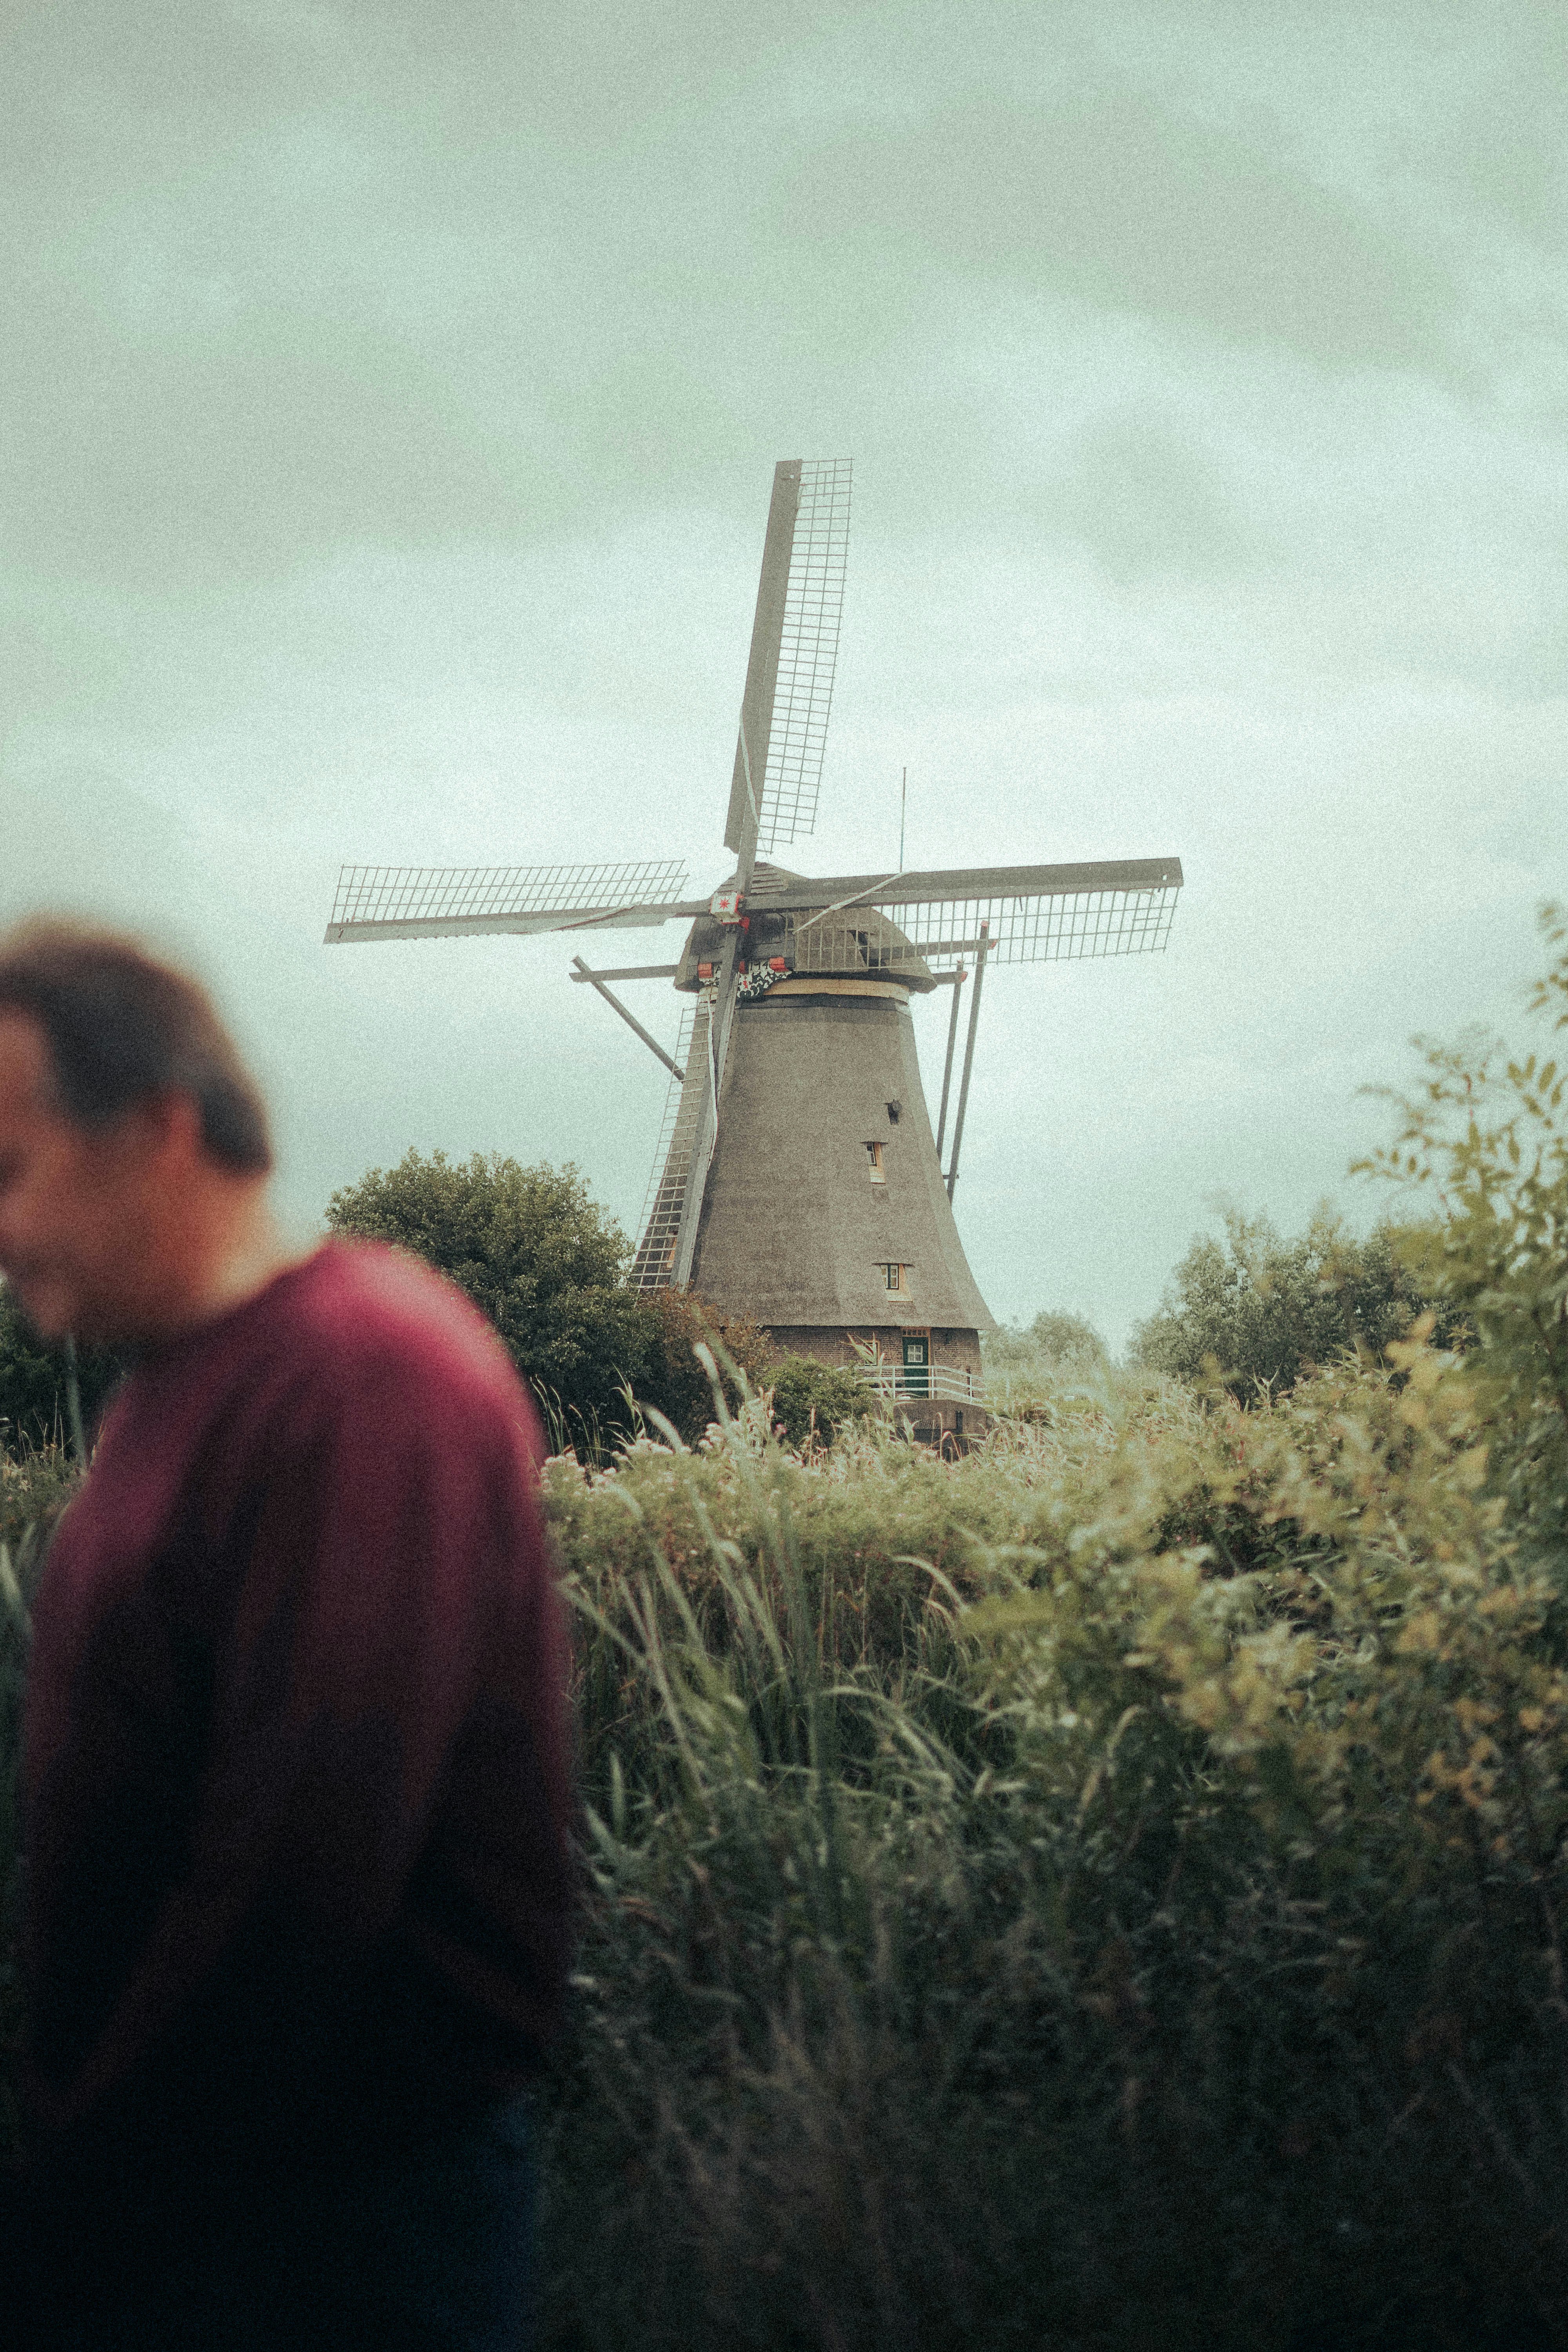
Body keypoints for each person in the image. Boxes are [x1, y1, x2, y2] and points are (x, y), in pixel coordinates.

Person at [0, 919, 574, 2349]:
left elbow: (300, 1875)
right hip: (207, 2193)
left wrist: (86, 2197)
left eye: (11, 1171)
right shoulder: (180, 1384)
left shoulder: (367, 1376)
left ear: (158, 1129)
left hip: (314, 2227)